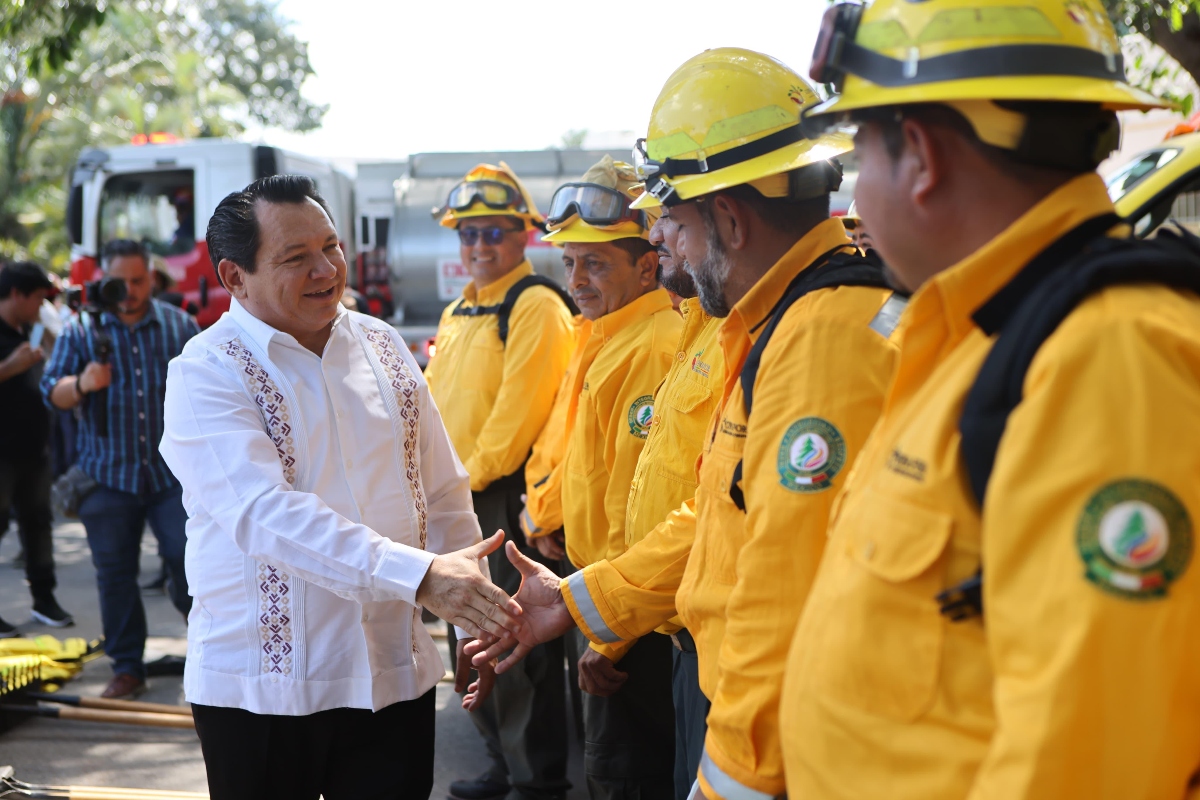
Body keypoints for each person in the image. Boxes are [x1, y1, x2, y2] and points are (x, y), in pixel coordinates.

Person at [780, 1, 1200, 798]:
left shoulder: (1108, 358)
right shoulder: (979, 335)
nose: (856, 202)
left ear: (924, 158)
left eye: (861, 157)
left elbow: (1091, 761)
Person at [473, 49, 903, 800]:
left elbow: (785, 605)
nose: (660, 241)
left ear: (728, 218)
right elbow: (716, 516)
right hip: (722, 684)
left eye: (669, 218)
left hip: (770, 730)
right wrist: (581, 601)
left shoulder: (824, 338)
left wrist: (733, 779)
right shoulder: (776, 324)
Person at [159, 175, 525, 800]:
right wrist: (421, 577)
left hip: (391, 676)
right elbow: (264, 514)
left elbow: (439, 488)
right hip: (265, 690)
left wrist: (476, 619)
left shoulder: (381, 344)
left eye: (331, 247)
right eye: (296, 258)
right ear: (233, 277)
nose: (326, 269)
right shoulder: (206, 372)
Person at [425, 162, 576, 800]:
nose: (479, 245)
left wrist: (452, 486)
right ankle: (499, 763)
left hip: (499, 498)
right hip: (456, 496)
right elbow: (430, 405)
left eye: (493, 232)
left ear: (524, 237)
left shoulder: (535, 304)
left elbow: (516, 420)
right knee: (473, 636)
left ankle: (535, 782)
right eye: (469, 234)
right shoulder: (460, 309)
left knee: (517, 644)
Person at [536, 155, 681, 799]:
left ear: (647, 265)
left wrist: (613, 631)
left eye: (596, 262)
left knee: (626, 776)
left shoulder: (651, 344)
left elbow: (645, 503)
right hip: (602, 595)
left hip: (632, 616)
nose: (578, 278)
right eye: (570, 262)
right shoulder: (605, 333)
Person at [42, 240, 199, 698]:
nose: (129, 291)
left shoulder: (179, 326)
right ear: (102, 281)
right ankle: (127, 667)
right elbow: (52, 392)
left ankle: (215, 652)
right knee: (115, 576)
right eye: (120, 282)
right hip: (107, 475)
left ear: (152, 278)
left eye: (138, 280)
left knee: (192, 565)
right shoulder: (80, 331)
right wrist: (82, 383)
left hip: (173, 477)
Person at [0, 261, 73, 634]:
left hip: (34, 447)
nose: (42, 307)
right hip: (3, 451)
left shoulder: (31, 330)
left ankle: (45, 600)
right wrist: (8, 367)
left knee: (38, 524)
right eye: (38, 299)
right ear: (16, 294)